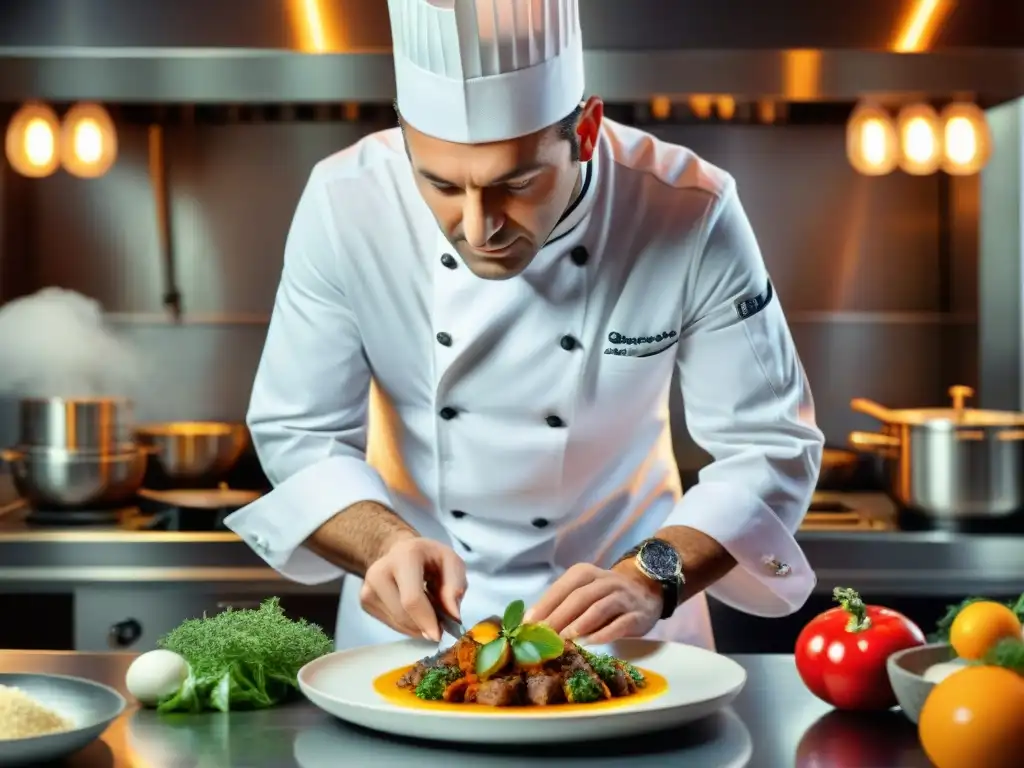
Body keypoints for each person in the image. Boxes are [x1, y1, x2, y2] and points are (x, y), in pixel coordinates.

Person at [225, 0, 824, 651]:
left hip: (628, 625)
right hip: (416, 627)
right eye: (442, 185)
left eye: (518, 182)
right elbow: (298, 430)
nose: (479, 227)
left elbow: (770, 444)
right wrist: (384, 543)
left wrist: (652, 577)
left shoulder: (686, 207)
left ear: (587, 131)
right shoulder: (345, 202)